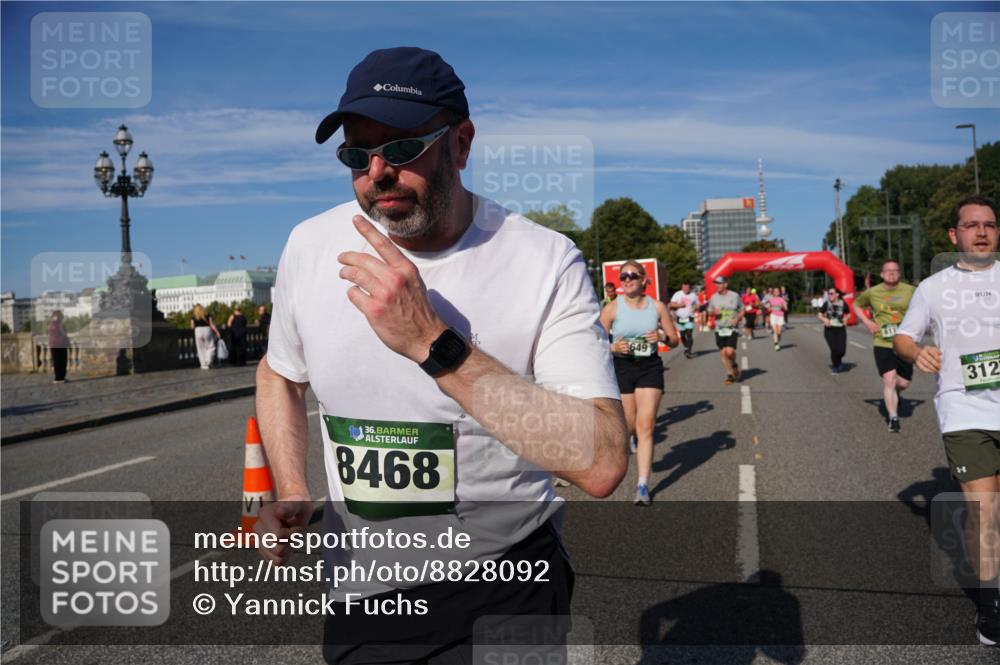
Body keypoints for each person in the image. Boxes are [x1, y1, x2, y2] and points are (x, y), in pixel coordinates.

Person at [254, 47, 627, 664]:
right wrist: (291, 487)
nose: (377, 171)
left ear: (460, 143)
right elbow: (278, 373)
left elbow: (601, 461)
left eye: (400, 148)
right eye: (356, 153)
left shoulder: (543, 259)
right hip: (363, 592)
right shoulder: (310, 245)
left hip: (506, 582)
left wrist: (433, 342)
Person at [894, 194, 1000, 646]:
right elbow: (902, 336)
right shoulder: (933, 287)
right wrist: (917, 352)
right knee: (985, 510)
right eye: (972, 225)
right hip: (965, 408)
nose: (982, 232)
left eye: (990, 225)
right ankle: (993, 606)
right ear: (953, 235)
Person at [601, 261, 678, 505]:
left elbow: (675, 340)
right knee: (630, 425)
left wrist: (662, 336)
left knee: (646, 425)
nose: (628, 279)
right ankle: (629, 440)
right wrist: (612, 346)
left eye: (633, 275)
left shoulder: (657, 307)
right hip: (622, 367)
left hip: (649, 368)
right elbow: (594, 341)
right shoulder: (612, 309)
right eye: (624, 276)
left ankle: (642, 485)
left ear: (644, 279)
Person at [853, 260, 915, 433]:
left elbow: (923, 307)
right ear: (881, 274)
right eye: (888, 271)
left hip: (905, 342)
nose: (891, 273)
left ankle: (897, 392)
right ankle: (893, 418)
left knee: (903, 382)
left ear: (899, 273)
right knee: (889, 379)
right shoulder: (873, 292)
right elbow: (856, 305)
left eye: (895, 270)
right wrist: (867, 322)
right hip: (883, 342)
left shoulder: (910, 291)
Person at [708, 275, 744, 384]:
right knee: (723, 353)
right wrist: (714, 312)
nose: (717, 285)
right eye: (716, 283)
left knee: (730, 351)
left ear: (725, 284)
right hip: (720, 328)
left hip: (731, 328)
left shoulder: (734, 295)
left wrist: (737, 318)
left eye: (719, 283)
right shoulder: (713, 297)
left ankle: (733, 363)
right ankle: (729, 375)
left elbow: (742, 309)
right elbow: (709, 311)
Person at [818, 288, 848, 373]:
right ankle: (835, 366)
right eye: (828, 294)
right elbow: (819, 315)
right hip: (829, 330)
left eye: (831, 293)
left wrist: (846, 319)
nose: (829, 295)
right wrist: (825, 320)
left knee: (842, 351)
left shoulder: (843, 304)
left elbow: (848, 314)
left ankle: (839, 360)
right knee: (834, 349)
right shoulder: (826, 304)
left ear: (837, 294)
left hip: (840, 329)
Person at [669, 282, 697, 358]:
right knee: (682, 335)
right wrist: (679, 305)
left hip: (689, 317)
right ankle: (686, 347)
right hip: (679, 318)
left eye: (687, 288)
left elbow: (697, 304)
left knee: (689, 334)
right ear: (682, 288)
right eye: (684, 288)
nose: (686, 289)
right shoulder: (677, 294)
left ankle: (689, 351)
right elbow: (671, 304)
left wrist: (695, 308)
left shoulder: (693, 295)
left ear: (689, 288)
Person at [191, 304, 220, 369]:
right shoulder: (207, 315)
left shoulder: (194, 317)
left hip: (198, 331)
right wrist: (217, 332)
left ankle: (203, 364)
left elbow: (192, 327)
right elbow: (212, 325)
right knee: (211, 347)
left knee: (200, 348)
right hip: (207, 330)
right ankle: (209, 360)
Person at [47, 310, 70, 383]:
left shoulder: (51, 324)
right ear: (58, 316)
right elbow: (63, 334)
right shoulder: (59, 324)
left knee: (57, 362)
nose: (62, 317)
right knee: (62, 362)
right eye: (61, 316)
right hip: (60, 345)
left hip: (54, 345)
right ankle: (60, 378)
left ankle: (59, 378)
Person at [765, 287, 787, 351]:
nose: (776, 292)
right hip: (773, 315)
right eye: (775, 291)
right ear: (773, 293)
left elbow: (786, 308)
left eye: (777, 291)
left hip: (780, 316)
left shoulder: (782, 299)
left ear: (779, 292)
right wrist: (769, 309)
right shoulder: (771, 300)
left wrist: (782, 306)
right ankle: (776, 344)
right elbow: (767, 308)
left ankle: (777, 340)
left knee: (779, 332)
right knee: (775, 331)